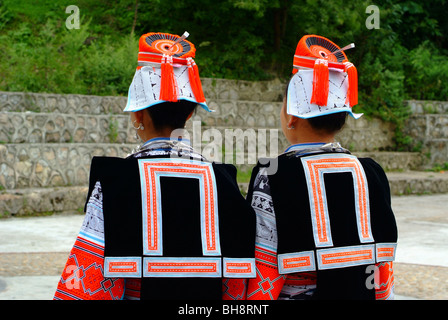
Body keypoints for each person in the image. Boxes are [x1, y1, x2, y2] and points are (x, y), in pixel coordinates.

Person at [54, 32, 256, 300]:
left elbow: (89, 283)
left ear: (138, 115)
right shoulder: (224, 181)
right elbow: (236, 286)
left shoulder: (116, 181)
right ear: (189, 113)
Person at [245, 35, 398, 300]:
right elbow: (382, 274)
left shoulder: (272, 175)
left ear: (290, 114)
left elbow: (263, 275)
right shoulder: (371, 173)